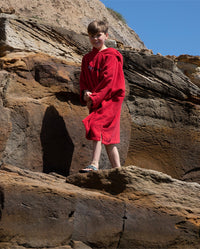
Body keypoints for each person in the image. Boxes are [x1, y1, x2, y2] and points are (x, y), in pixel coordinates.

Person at [79, 20, 125, 173]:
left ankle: (94, 164)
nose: (95, 39)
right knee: (109, 140)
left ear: (106, 36)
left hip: (110, 99)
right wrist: (85, 91)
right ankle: (118, 171)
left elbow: (109, 80)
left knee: (96, 126)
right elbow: (84, 79)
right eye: (92, 36)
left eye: (98, 35)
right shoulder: (87, 58)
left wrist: (94, 98)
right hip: (96, 99)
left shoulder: (111, 55)